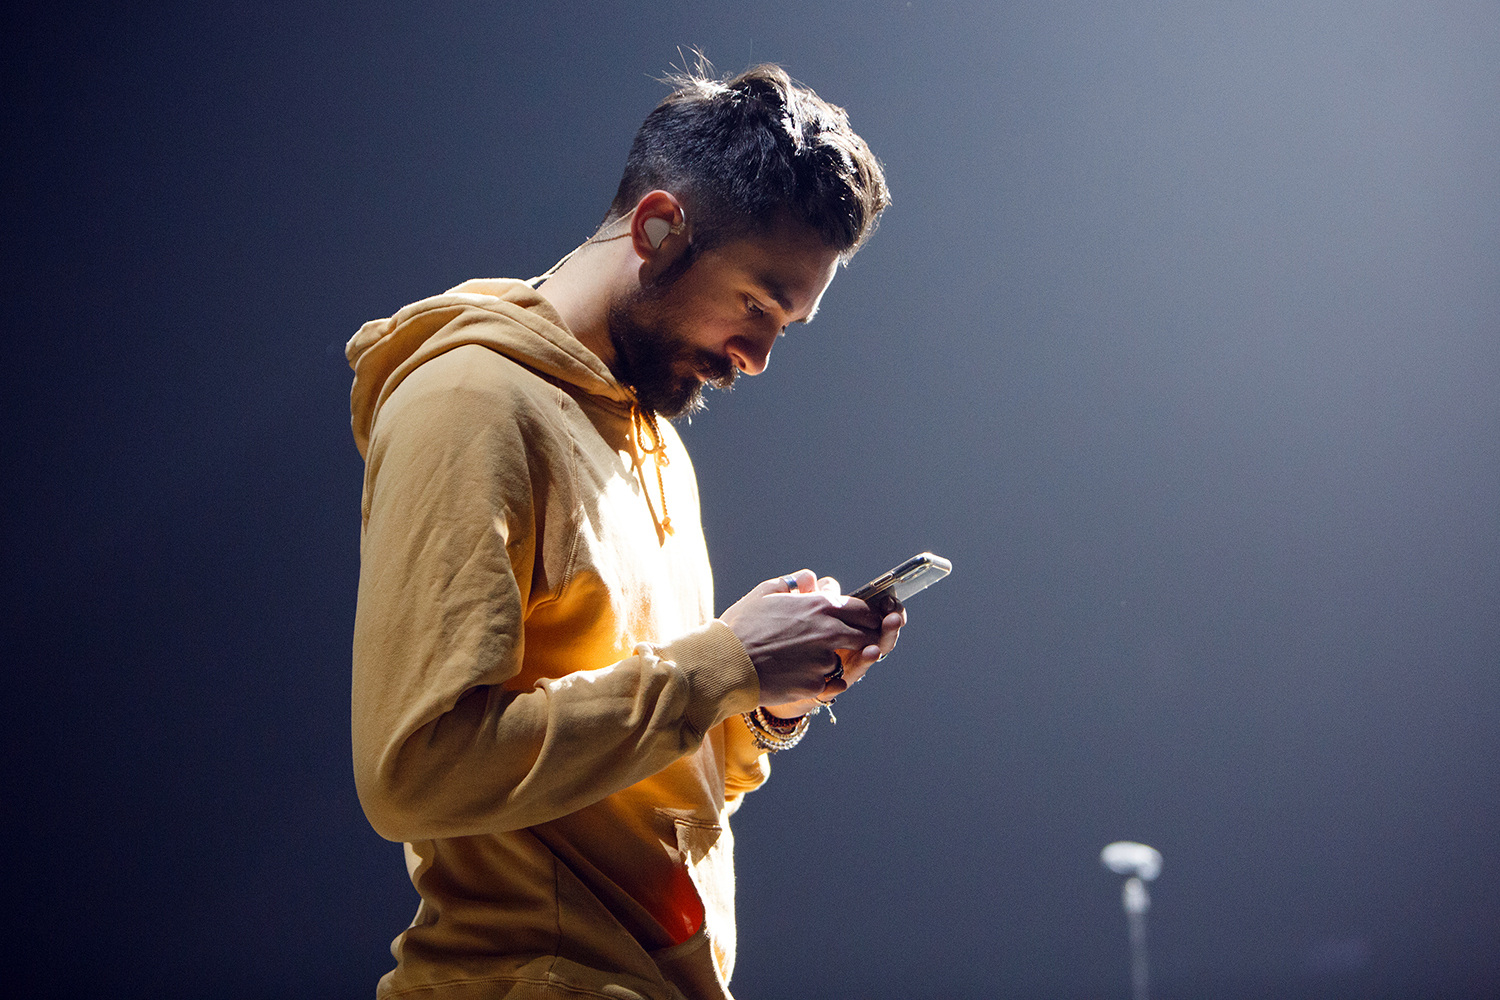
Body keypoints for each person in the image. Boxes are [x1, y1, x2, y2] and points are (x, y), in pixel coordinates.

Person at [345, 62, 900, 1000]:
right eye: (757, 304)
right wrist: (722, 662)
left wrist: (766, 701)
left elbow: (648, 772)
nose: (758, 357)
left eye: (786, 324)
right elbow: (415, 772)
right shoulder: (470, 405)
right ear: (656, 228)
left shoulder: (654, 443)